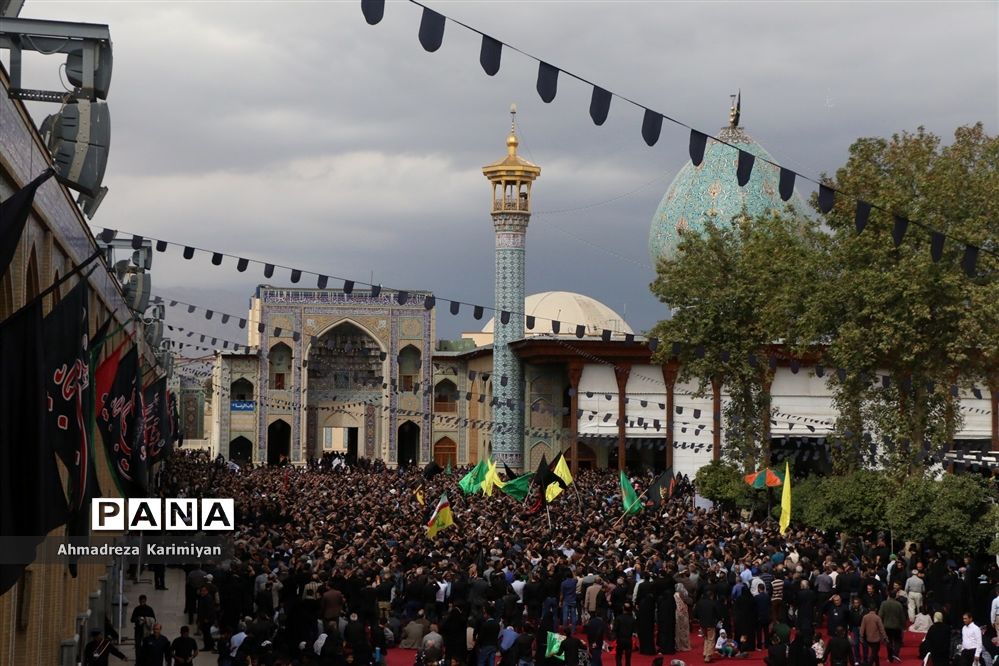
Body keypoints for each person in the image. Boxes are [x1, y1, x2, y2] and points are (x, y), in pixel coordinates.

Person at [878, 591, 906, 663]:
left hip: (886, 626)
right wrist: (904, 625)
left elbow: (880, 615)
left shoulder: (884, 603)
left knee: (888, 641)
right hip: (897, 626)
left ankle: (890, 657)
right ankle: (895, 654)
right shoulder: (898, 604)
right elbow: (902, 616)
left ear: (889, 595)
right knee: (897, 641)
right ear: (895, 596)